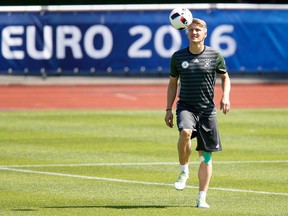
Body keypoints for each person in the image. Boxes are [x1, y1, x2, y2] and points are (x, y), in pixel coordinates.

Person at [164, 18, 231, 208]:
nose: (194, 33)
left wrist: (225, 96)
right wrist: (169, 109)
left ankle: (202, 197)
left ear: (205, 33)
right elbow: (172, 84)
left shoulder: (215, 55)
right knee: (185, 132)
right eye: (191, 30)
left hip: (207, 111)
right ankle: (184, 170)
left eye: (198, 30)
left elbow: (225, 78)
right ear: (186, 33)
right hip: (186, 106)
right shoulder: (178, 57)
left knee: (206, 157)